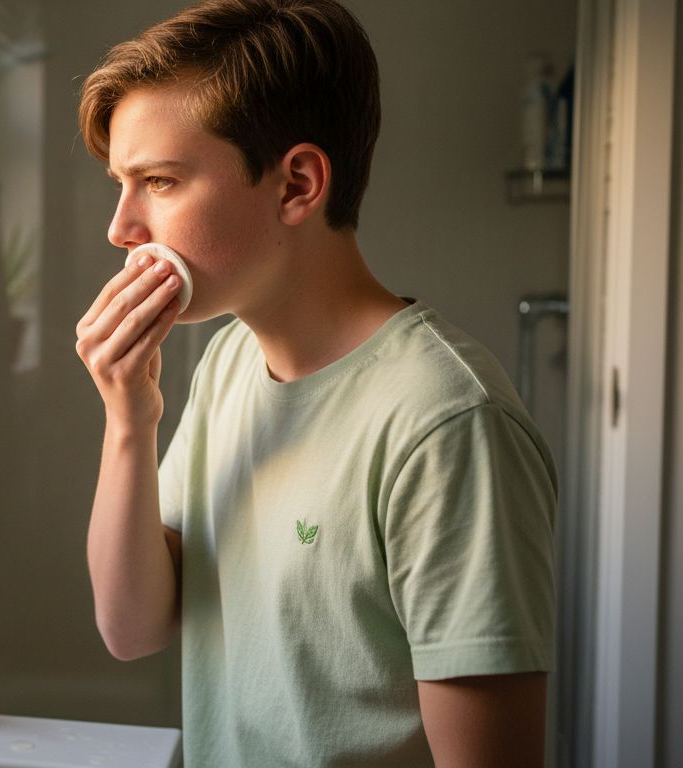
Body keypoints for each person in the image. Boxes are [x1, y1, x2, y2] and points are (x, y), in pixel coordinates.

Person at [73, 1, 556, 765]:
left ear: (297, 184)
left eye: (158, 182)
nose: (122, 228)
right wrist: (129, 416)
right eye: (120, 184)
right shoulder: (229, 361)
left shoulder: (448, 423)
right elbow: (130, 630)